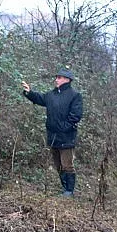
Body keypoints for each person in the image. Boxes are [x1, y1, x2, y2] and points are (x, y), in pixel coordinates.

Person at [21, 68, 83, 197]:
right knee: (58, 164)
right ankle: (64, 188)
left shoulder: (75, 95)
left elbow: (75, 116)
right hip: (52, 136)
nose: (56, 79)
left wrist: (63, 128)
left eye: (59, 77)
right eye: (57, 77)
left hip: (67, 137)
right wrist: (29, 92)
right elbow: (40, 99)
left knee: (67, 165)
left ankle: (69, 191)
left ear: (67, 79)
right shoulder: (51, 94)